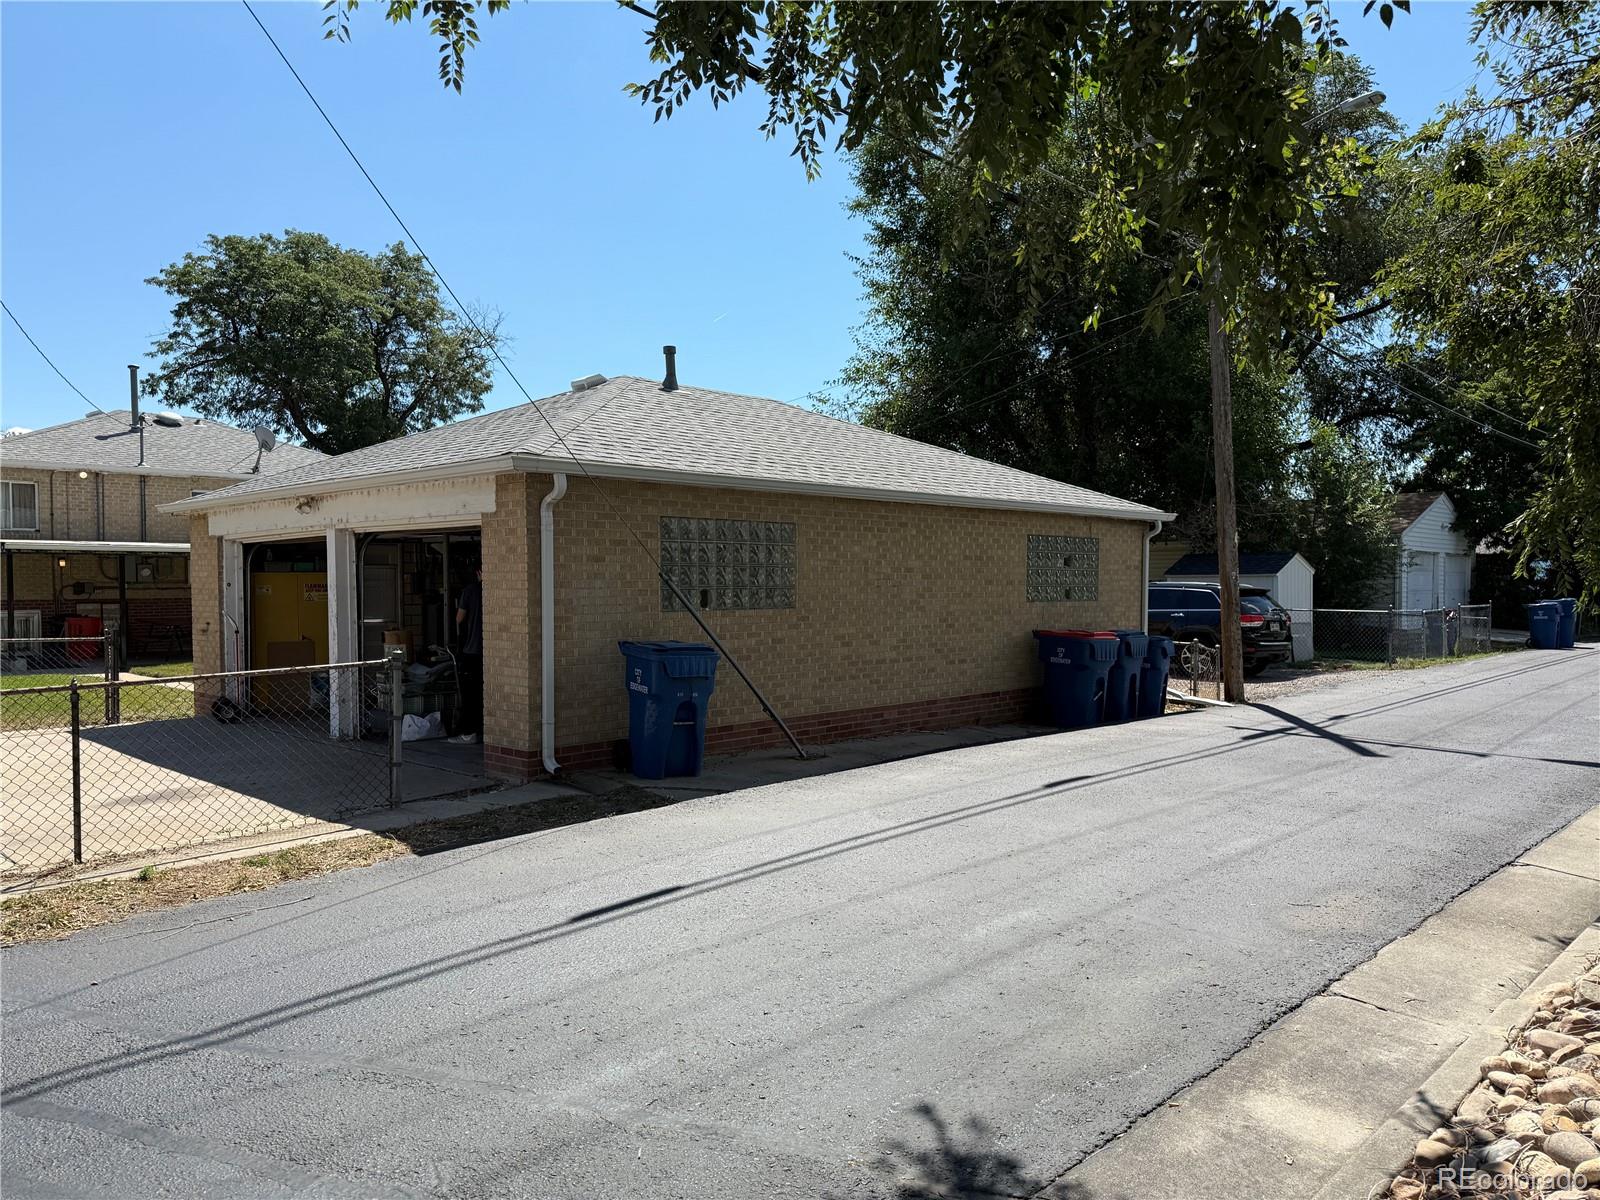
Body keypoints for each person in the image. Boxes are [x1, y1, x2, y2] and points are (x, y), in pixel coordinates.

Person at [450, 562, 483, 745]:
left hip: (472, 649)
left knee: (470, 694)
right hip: (492, 651)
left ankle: (469, 732)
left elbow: (459, 618)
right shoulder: (496, 590)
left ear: (479, 572)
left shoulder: (470, 591)